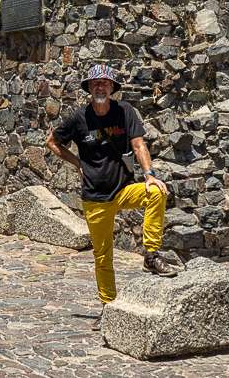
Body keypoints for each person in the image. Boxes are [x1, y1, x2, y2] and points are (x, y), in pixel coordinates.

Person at [47, 63, 181, 313]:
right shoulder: (78, 118)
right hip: (95, 197)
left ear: (112, 88)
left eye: (105, 83)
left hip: (122, 188)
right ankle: (109, 307)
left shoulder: (124, 111)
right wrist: (77, 162)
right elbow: (52, 142)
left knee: (156, 192)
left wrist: (149, 175)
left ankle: (151, 255)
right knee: (103, 256)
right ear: (89, 87)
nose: (100, 86)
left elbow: (139, 144)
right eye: (96, 83)